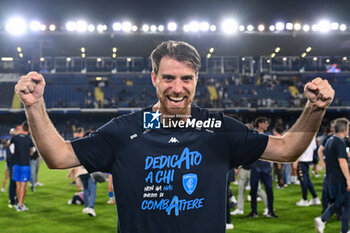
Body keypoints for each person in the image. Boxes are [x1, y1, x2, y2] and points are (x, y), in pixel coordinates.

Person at [15, 40, 334, 233]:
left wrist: (315, 109)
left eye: (186, 78)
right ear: (154, 77)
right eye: (168, 77)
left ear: (197, 79)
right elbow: (58, 157)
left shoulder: (219, 129)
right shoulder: (125, 130)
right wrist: (35, 105)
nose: (177, 87)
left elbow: (288, 149)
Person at [314, 118, 350, 233]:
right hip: (339, 178)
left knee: (346, 204)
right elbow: (342, 161)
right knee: (341, 201)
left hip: (331, 177)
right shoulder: (339, 142)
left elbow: (322, 153)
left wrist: (324, 166)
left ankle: (344, 230)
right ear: (344, 129)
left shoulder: (329, 140)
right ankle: (323, 219)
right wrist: (349, 179)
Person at [231, 123, 268, 216]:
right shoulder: (241, 141)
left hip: (253, 169)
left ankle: (268, 208)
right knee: (240, 190)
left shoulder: (255, 141)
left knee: (259, 190)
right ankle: (240, 208)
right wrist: (238, 167)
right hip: (244, 169)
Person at [247, 117, 277, 218]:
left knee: (269, 190)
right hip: (255, 167)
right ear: (260, 124)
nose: (267, 125)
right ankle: (254, 211)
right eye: (265, 123)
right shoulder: (252, 134)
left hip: (266, 167)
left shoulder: (269, 136)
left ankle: (271, 211)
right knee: (253, 191)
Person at [8, 121, 35, 211]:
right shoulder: (29, 139)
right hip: (25, 165)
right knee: (23, 185)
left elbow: (9, 146)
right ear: (29, 130)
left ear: (22, 128)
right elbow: (32, 152)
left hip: (16, 165)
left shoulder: (15, 138)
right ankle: (20, 204)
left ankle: (19, 203)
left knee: (18, 185)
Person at [295, 137, 321, 207]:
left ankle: (304, 199)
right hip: (308, 159)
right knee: (307, 180)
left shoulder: (304, 136)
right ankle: (315, 198)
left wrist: (296, 161)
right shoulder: (312, 136)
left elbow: (299, 149)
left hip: (302, 160)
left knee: (303, 181)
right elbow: (314, 147)